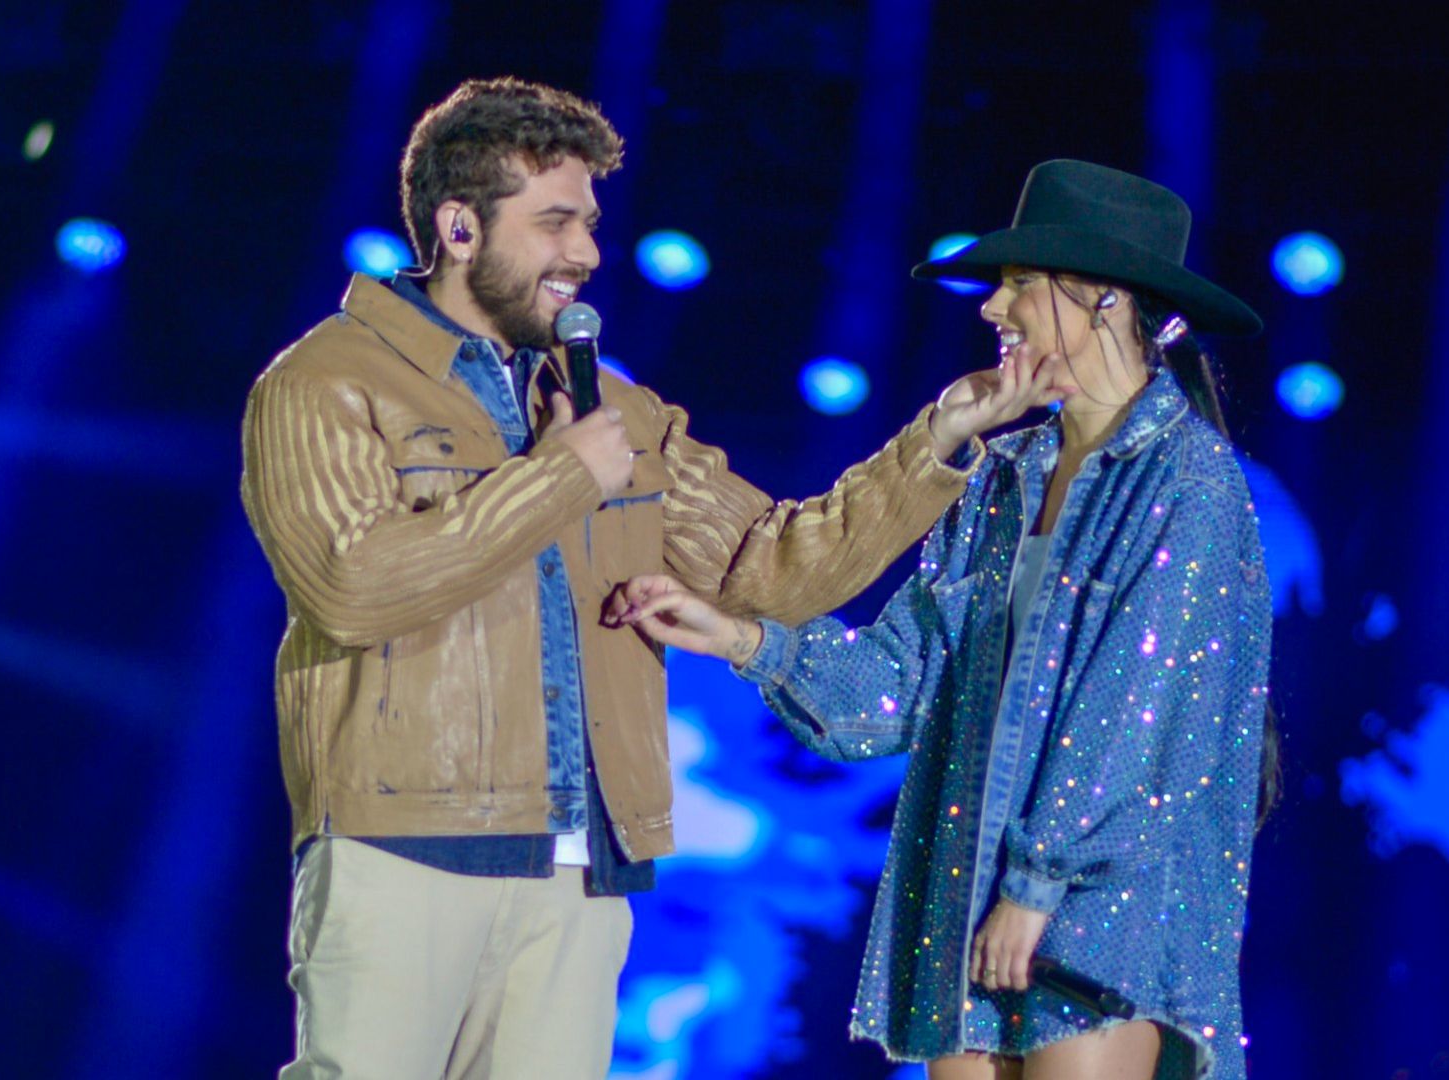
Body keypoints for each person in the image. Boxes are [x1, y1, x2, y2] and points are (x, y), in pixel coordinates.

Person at [239, 77, 1051, 1079]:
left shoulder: (609, 408)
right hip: (405, 842)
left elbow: (773, 572)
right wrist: (559, 476)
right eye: (554, 223)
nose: (584, 253)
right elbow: (352, 587)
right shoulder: (325, 382)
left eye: (589, 223)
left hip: (584, 866)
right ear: (457, 227)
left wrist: (939, 440)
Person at [612, 160, 1274, 1080]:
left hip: (1097, 914)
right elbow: (900, 689)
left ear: (1105, 300)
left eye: (1020, 285)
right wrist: (738, 638)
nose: (993, 309)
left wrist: (1040, 884)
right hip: (960, 889)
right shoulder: (1001, 478)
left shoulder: (1190, 482)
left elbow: (1141, 708)